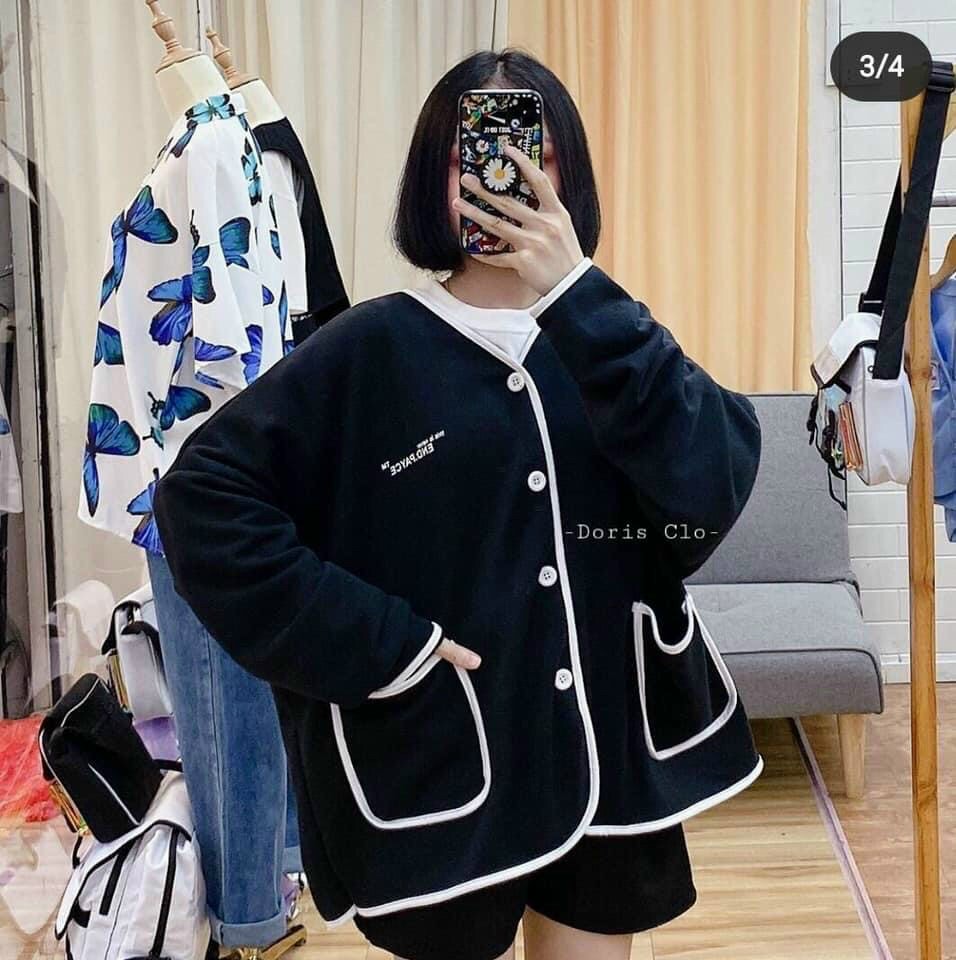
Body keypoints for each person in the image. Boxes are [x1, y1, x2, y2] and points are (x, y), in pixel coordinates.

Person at [153, 48, 763, 960]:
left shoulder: (609, 336)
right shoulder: (369, 353)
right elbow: (200, 500)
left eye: (535, 154)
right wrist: (381, 642)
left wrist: (578, 294)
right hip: (441, 769)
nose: (504, 176)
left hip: (611, 758)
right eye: (469, 156)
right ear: (429, 183)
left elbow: (710, 488)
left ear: (570, 178)